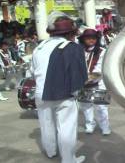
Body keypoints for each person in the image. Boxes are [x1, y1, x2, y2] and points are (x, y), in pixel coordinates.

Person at [31, 14, 87, 163]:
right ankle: (68, 160)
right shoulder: (72, 47)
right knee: (67, 127)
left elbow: (33, 71)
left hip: (40, 93)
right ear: (70, 34)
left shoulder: (39, 47)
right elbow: (78, 74)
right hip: (63, 93)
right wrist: (79, 92)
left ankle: (50, 152)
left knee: (46, 123)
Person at [78, 29, 111, 135]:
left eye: (93, 38)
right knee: (86, 105)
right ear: (83, 39)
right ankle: (89, 124)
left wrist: (88, 79)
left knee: (101, 106)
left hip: (99, 82)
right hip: (83, 82)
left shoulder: (102, 51)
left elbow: (100, 69)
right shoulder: (79, 51)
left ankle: (105, 126)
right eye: (88, 38)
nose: (91, 40)